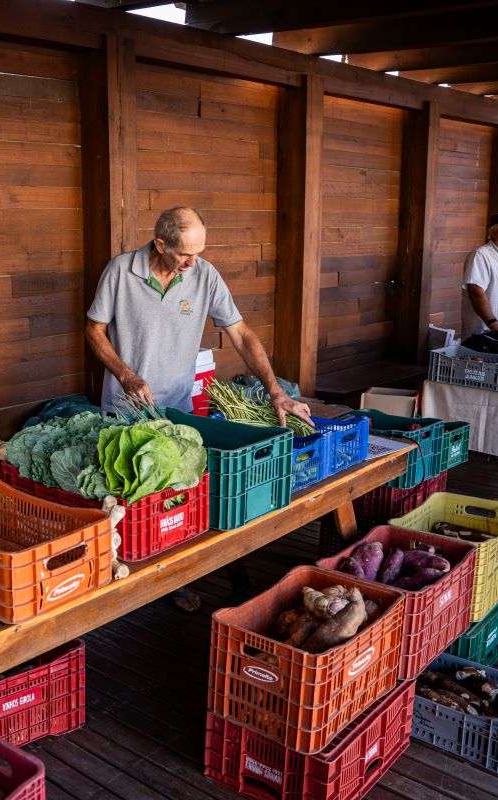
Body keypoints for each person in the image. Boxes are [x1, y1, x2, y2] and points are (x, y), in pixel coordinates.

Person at [85, 206, 312, 611]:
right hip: (125, 410)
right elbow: (94, 329)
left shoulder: (204, 274)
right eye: (185, 254)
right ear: (159, 245)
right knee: (135, 501)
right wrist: (125, 374)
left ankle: (186, 579)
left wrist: (275, 389)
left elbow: (240, 334)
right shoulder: (121, 271)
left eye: (199, 252)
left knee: (181, 499)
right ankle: (135, 589)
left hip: (179, 410)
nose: (194, 261)